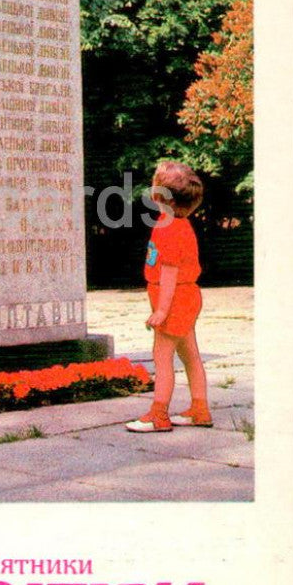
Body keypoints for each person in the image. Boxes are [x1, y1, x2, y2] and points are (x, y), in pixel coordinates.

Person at [126, 160, 213, 432]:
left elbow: (169, 275)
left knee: (162, 356)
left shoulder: (169, 228)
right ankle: (199, 410)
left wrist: (162, 311)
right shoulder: (177, 223)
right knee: (190, 354)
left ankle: (158, 414)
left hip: (174, 300)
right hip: (186, 298)